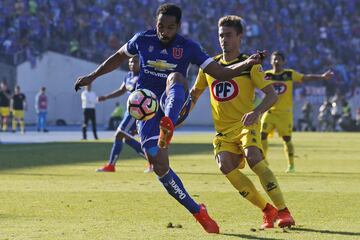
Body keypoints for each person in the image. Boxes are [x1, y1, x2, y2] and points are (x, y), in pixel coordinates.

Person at [74, 3, 264, 234]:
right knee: (159, 166)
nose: (165, 31)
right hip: (147, 112)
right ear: (156, 23)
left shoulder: (188, 47)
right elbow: (117, 57)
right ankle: (198, 211)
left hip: (175, 106)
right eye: (161, 26)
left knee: (175, 77)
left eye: (170, 27)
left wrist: (248, 62)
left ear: (178, 27)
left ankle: (169, 126)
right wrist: (92, 76)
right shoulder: (142, 40)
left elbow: (221, 72)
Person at [190, 15, 295, 229]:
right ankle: (268, 210)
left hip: (246, 125)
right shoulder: (209, 67)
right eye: (221, 35)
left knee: (254, 158)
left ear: (240, 36)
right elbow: (194, 95)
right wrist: (176, 117)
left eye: (228, 35)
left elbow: (272, 95)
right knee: (224, 165)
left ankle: (284, 211)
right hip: (223, 132)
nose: (223, 40)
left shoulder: (251, 65)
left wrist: (256, 112)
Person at [260, 51, 334, 173]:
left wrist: (321, 77)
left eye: (279, 59)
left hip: (285, 113)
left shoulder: (289, 74)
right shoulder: (266, 75)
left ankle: (291, 165)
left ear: (283, 61)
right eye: (274, 59)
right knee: (262, 136)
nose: (276, 62)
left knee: (287, 139)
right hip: (270, 112)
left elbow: (305, 77)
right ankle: (263, 160)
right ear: (270, 61)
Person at [96, 56, 153, 173]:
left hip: (137, 112)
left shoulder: (144, 76)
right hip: (130, 110)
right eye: (130, 61)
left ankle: (111, 165)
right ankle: (153, 162)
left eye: (135, 61)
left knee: (119, 134)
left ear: (141, 63)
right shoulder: (128, 76)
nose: (132, 63)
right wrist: (106, 97)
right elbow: (121, 90)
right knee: (126, 139)